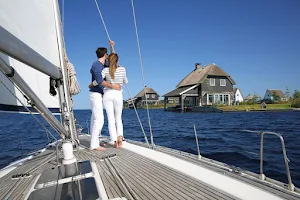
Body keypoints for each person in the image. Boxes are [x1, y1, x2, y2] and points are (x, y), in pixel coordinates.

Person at [89, 47, 128, 148]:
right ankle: (119, 138)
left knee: (107, 119)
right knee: (114, 118)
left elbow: (99, 80)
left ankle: (113, 141)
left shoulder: (105, 68)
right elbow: (125, 81)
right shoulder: (121, 69)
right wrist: (115, 84)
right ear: (105, 55)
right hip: (110, 94)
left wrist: (90, 85)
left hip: (106, 95)